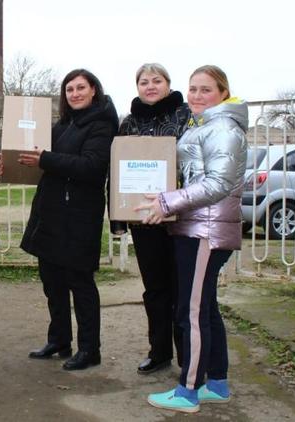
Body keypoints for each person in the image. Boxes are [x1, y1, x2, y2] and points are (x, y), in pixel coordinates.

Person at [136, 65, 247, 413]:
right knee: (206, 309)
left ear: (223, 93)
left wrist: (168, 201)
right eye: (193, 89)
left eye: (206, 90)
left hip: (205, 231)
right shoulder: (207, 125)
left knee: (191, 312)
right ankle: (216, 382)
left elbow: (217, 184)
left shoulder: (224, 129)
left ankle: (188, 391)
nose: (197, 96)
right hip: (197, 226)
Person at [19, 69, 118, 371]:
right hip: (51, 213)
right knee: (53, 282)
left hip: (79, 217)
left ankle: (90, 349)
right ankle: (60, 339)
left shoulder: (102, 125)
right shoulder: (62, 125)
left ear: (93, 91)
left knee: (80, 283)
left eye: (80, 88)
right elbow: (37, 156)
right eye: (69, 89)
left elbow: (91, 166)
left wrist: (45, 159)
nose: (74, 93)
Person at [112, 63, 191, 375]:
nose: (150, 86)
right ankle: (159, 351)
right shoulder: (128, 123)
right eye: (144, 82)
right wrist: (117, 218)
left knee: (182, 288)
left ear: (168, 84)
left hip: (182, 216)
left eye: (156, 80)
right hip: (143, 218)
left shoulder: (186, 116)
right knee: (155, 288)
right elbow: (117, 170)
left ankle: (188, 354)